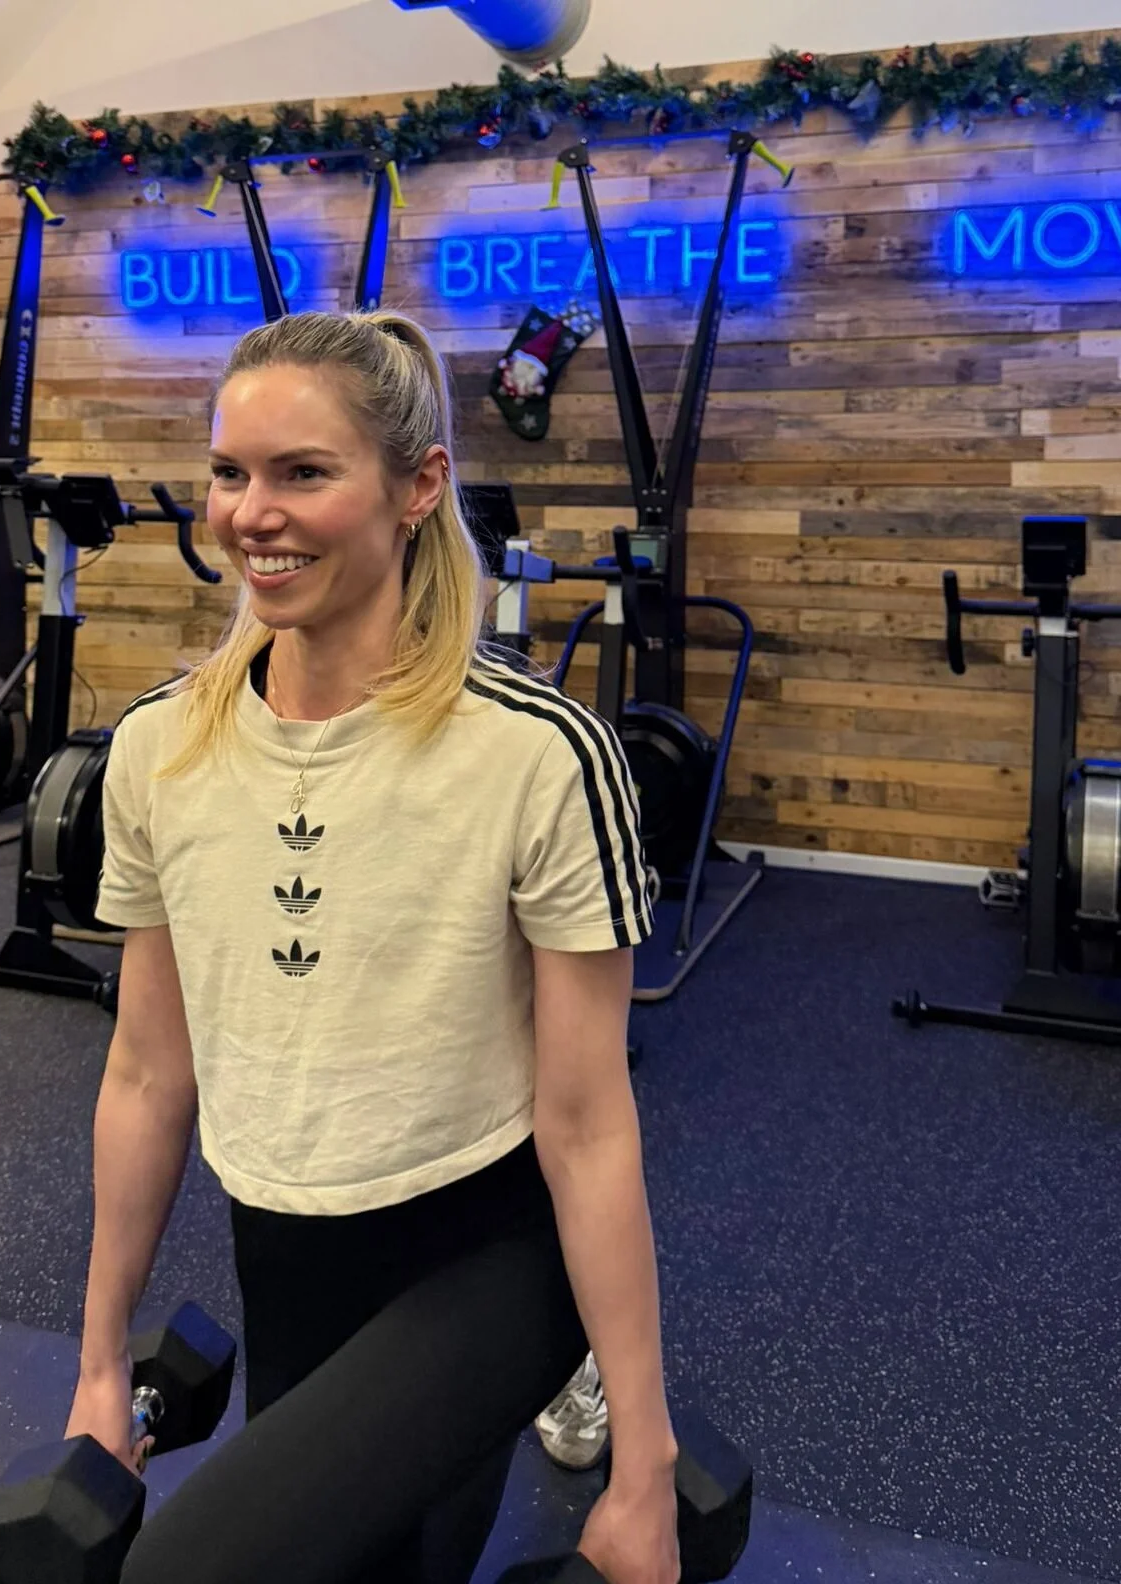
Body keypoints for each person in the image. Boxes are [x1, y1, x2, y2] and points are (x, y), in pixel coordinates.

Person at [66, 308, 678, 1584]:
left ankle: (567, 1382)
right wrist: (98, 1363)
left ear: (418, 488)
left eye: (303, 472)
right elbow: (146, 1073)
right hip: (285, 1240)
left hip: (487, 1255)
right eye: (230, 473)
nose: (252, 514)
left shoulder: (537, 754)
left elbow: (586, 1122)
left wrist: (648, 1465)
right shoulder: (161, 749)